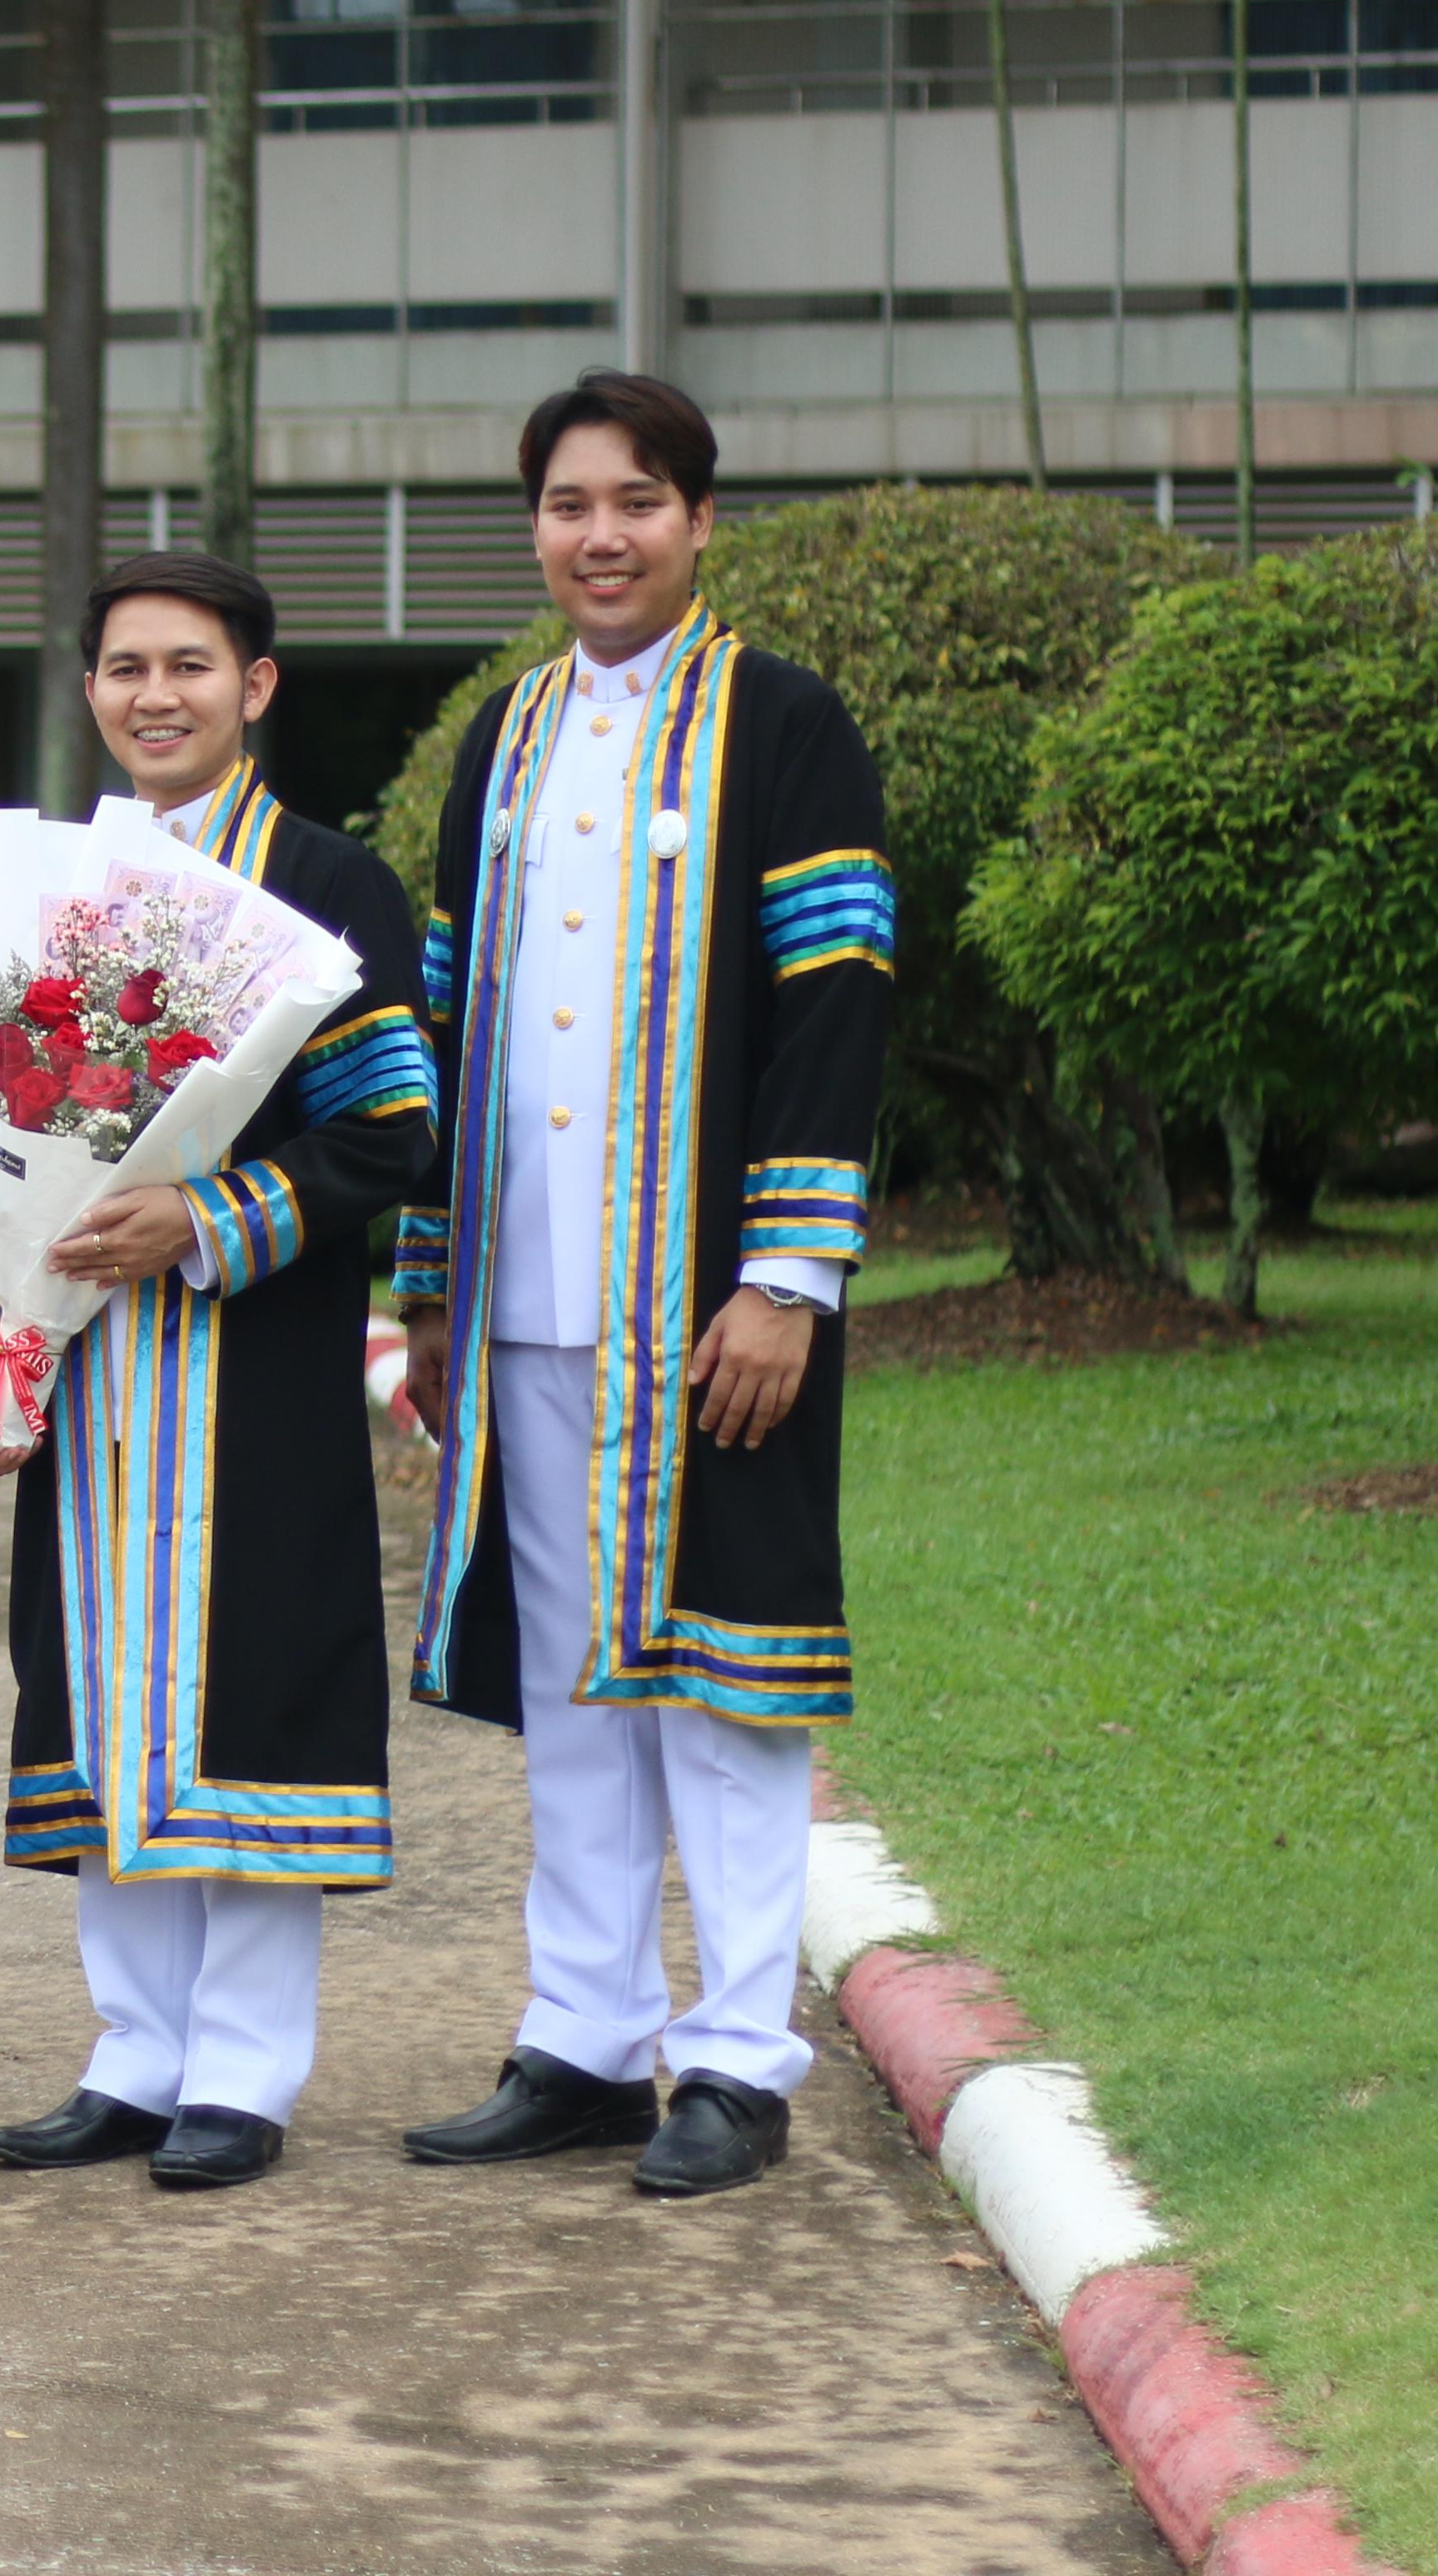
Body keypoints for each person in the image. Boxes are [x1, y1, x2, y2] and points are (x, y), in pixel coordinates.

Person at [396, 372, 893, 2200]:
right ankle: (588, 2039)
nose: (600, 536)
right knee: (576, 1691)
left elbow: (839, 1006)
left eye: (638, 502)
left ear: (698, 521)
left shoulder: (783, 722)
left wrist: (787, 1276)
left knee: (723, 1686)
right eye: (567, 505)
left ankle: (740, 2062)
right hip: (529, 1296)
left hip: (708, 1301)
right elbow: (447, 1019)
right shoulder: (507, 736)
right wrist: (436, 1289)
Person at [0, 554, 440, 2192]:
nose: (157, 695)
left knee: (252, 1693)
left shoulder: (331, 885)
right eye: (126, 668)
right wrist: (0, 1325)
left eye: (191, 666)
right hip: (94, 1372)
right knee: (96, 1689)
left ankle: (243, 2072)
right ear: (88, 690)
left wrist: (209, 1212)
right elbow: (1, 1138)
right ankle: (132, 2052)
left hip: (254, 1362)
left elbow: (389, 1132)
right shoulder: (54, 894)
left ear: (258, 686)